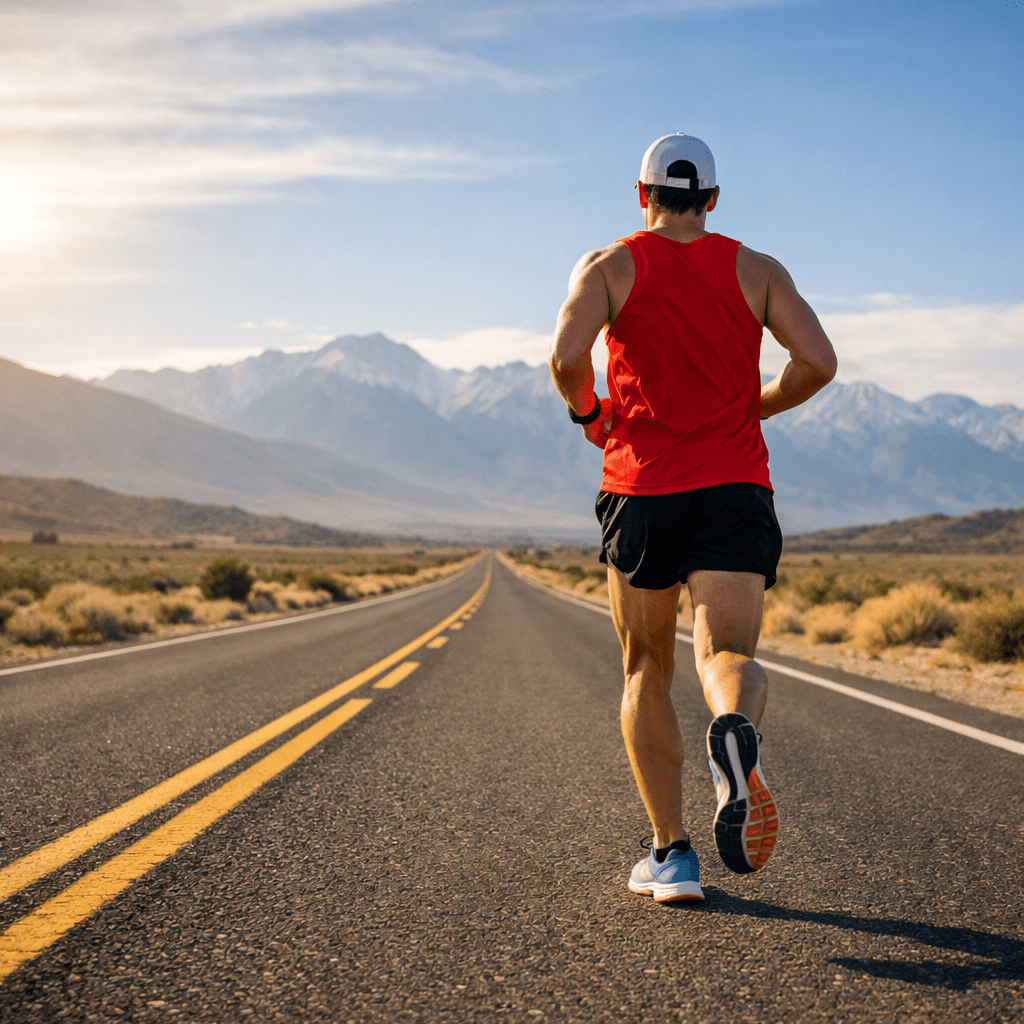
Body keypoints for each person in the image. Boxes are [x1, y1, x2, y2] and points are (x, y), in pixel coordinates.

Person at [549, 132, 837, 902]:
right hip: (735, 487)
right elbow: (820, 363)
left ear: (641, 195)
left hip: (642, 488)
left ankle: (672, 856)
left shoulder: (610, 265)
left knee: (647, 665)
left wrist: (591, 416)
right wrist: (755, 404)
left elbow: (565, 356)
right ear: (712, 200)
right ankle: (732, 737)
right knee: (725, 653)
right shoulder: (758, 270)